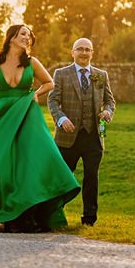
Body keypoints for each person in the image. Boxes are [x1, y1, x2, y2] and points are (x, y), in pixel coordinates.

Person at [0, 24, 80, 232]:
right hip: (1, 116)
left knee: (28, 164)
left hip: (27, 116)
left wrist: (35, 93)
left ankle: (26, 215)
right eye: (23, 34)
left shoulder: (32, 62)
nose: (27, 38)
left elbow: (49, 83)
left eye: (29, 36)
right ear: (11, 37)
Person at [48, 38, 116, 227]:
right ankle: (53, 216)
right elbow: (52, 101)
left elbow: (110, 101)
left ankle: (89, 219)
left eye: (87, 50)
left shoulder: (101, 75)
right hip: (67, 137)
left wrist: (107, 112)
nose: (84, 53)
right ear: (73, 52)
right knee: (62, 178)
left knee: (91, 178)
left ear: (92, 53)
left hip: (94, 137)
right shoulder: (61, 74)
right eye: (80, 49)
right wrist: (61, 119)